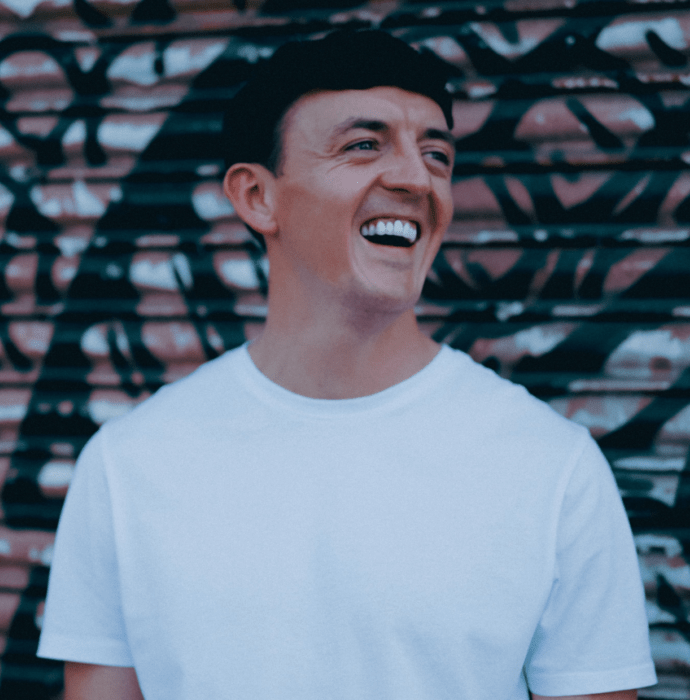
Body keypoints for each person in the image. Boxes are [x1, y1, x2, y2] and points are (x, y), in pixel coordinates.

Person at [37, 30, 657, 700]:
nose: (415, 179)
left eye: (437, 155)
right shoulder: (128, 467)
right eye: (364, 145)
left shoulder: (550, 466)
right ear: (256, 197)